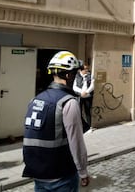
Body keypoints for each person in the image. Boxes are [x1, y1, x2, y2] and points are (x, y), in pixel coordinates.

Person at [22, 51, 90, 191]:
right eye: (75, 73)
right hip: (61, 174)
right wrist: (83, 172)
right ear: (68, 75)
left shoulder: (35, 99)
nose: (76, 77)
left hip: (38, 173)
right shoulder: (68, 102)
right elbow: (76, 142)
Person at [73, 63, 95, 130]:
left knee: (87, 112)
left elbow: (92, 86)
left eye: (87, 69)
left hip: (88, 96)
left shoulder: (90, 75)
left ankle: (89, 127)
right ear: (81, 70)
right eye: (85, 69)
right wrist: (81, 92)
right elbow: (74, 86)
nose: (87, 70)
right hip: (80, 96)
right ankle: (80, 126)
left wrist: (86, 92)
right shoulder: (77, 76)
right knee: (79, 111)